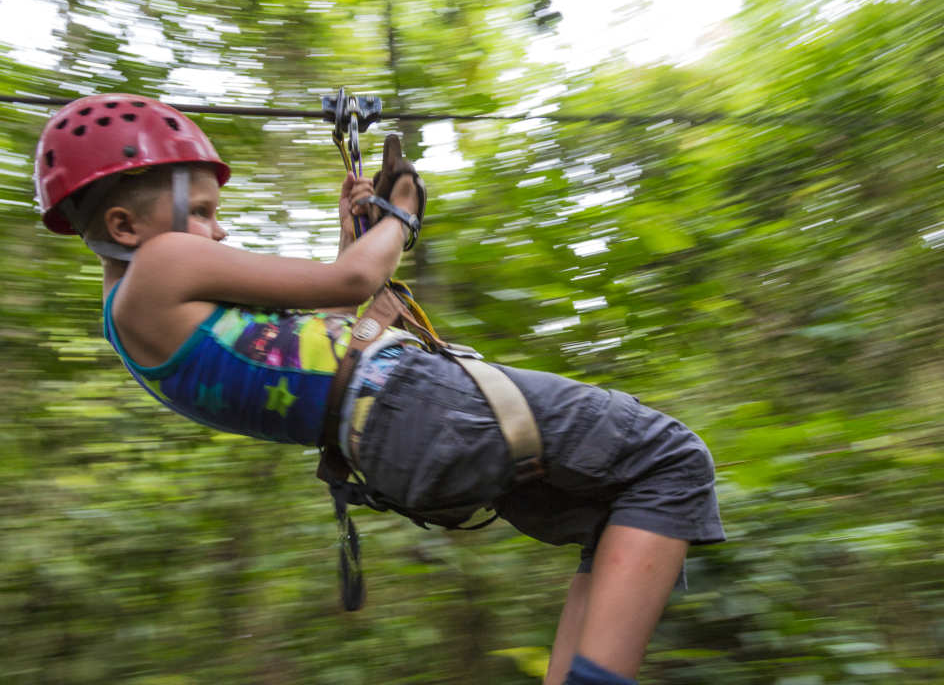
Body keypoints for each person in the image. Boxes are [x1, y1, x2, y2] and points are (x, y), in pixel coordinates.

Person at [35, 93, 725, 685]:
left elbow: (314, 342)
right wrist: (402, 213)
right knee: (672, 460)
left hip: (391, 442)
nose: (219, 230)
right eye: (205, 212)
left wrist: (353, 239)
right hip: (414, 404)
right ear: (125, 227)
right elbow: (354, 283)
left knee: (612, 512)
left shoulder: (135, 320)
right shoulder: (161, 264)